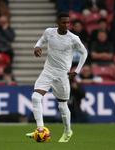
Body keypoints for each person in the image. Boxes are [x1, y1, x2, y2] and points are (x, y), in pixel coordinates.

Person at [25, 12, 87, 142]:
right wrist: (37, 46)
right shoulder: (49, 32)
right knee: (35, 97)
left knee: (62, 106)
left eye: (68, 23)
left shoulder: (73, 38)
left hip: (62, 75)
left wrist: (77, 70)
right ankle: (40, 130)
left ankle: (68, 132)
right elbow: (42, 40)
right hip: (47, 71)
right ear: (58, 22)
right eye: (64, 22)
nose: (66, 25)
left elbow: (84, 52)